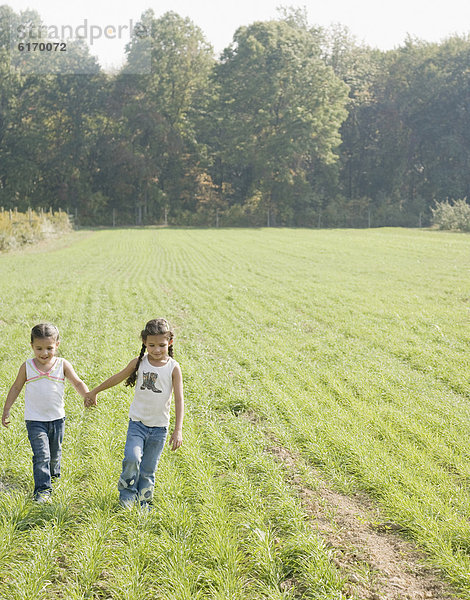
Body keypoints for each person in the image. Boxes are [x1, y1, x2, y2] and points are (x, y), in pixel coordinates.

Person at [85, 318, 184, 509]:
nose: (156, 350)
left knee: (148, 469)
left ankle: (144, 501)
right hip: (137, 424)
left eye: (161, 345)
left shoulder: (173, 368)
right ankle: (127, 495)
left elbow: (179, 400)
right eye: (151, 345)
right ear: (144, 343)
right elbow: (116, 378)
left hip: (159, 428)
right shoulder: (139, 363)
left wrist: (177, 430)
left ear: (170, 342)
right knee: (132, 458)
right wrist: (94, 391)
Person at [2, 323, 89, 503]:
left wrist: (87, 395)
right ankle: (42, 491)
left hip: (57, 419)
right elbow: (16, 387)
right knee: (42, 455)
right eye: (39, 348)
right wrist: (7, 408)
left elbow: (77, 382)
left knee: (55, 454)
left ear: (57, 344)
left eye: (49, 348)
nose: (44, 353)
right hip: (35, 420)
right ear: (32, 346)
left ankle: (54, 478)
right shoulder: (27, 366)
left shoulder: (62, 364)